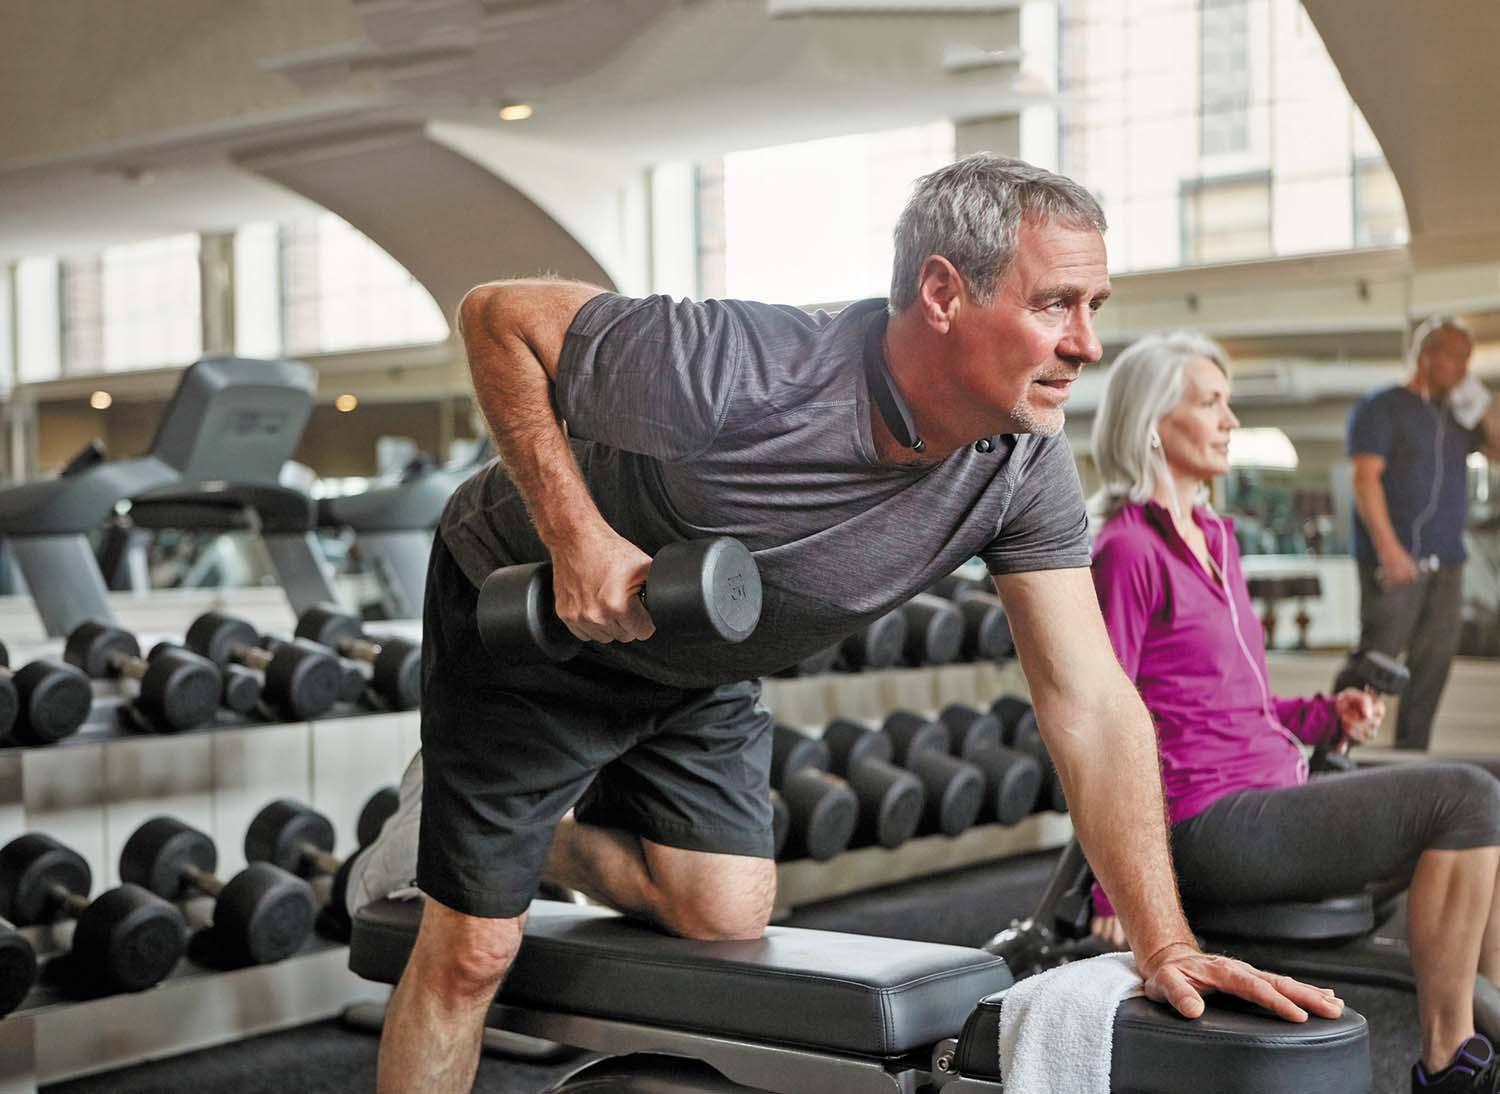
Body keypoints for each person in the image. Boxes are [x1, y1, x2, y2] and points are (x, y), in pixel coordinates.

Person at [365, 154, 1342, 1094]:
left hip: (700, 660)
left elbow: (1089, 697)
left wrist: (1161, 937)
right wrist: (574, 534)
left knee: (723, 908)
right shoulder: (738, 367)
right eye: (1054, 304)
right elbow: (497, 314)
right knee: (472, 950)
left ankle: (481, 825)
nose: (1086, 342)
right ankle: (462, 838)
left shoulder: (1021, 467)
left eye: (1095, 307)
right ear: (943, 291)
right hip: (534, 624)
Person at [1086, 330, 1500, 1093]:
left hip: (1273, 793)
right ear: (1151, 422)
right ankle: (1447, 1063)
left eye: (1228, 402)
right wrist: (1114, 888)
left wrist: (1323, 715)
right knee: (1467, 796)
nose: (1230, 420)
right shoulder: (1127, 551)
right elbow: (1096, 722)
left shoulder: (1218, 539)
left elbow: (1236, 699)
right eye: (1210, 403)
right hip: (1206, 821)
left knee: (1479, 804)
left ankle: (1483, 1028)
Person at [1348, 315, 1500, 749]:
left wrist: (1482, 405)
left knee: (1432, 667)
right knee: (1374, 663)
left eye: (1468, 362)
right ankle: (1332, 753)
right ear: (1428, 356)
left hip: (1447, 564)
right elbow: (1364, 480)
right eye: (1457, 360)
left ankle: (1411, 758)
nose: (1463, 370)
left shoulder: (1455, 416)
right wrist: (1390, 551)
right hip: (1397, 560)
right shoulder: (1383, 406)